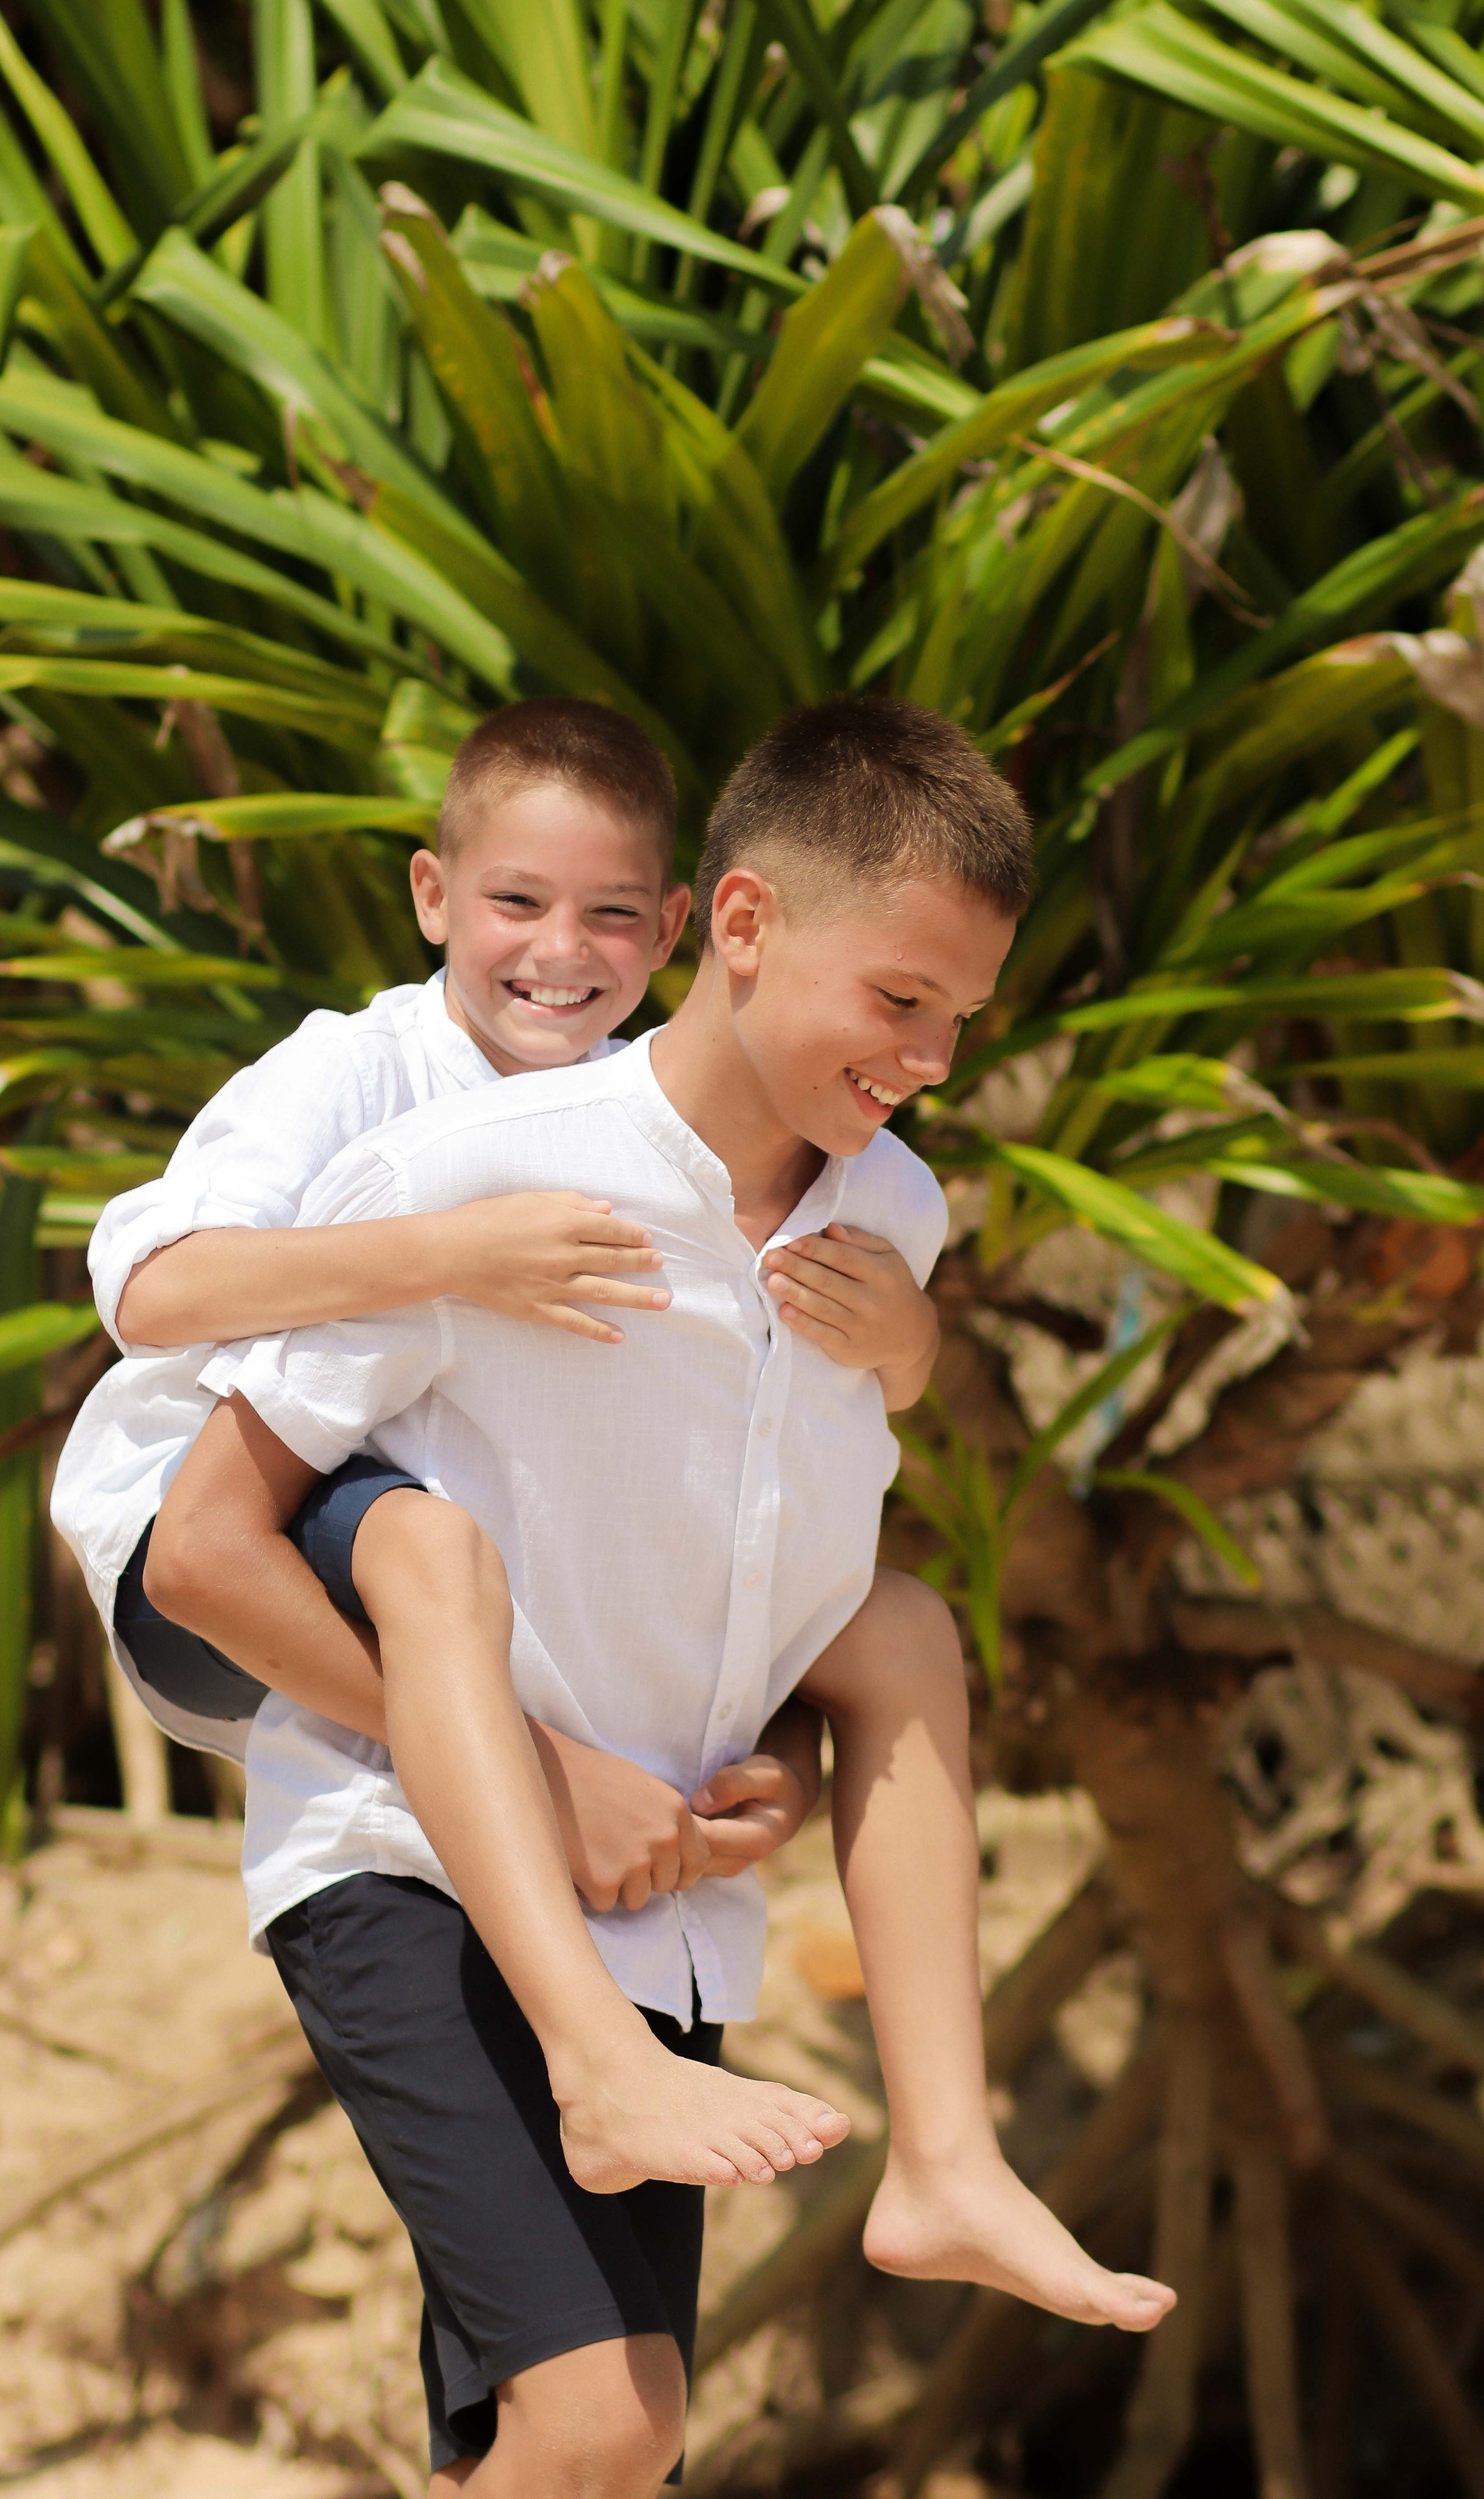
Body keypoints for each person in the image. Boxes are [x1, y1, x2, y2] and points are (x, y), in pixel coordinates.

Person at [145, 698, 1176, 2498]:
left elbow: (749, 1549)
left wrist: (776, 1720)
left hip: (657, 1896)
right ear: (750, 926)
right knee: (598, 2425)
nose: (929, 1053)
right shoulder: (484, 1184)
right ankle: (639, 2078)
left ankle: (945, 2159)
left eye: (960, 1018)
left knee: (616, 2445)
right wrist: (542, 1777)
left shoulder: (896, 1214)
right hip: (415, 1869)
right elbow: (204, 1547)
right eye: (900, 1000)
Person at [53, 696, 937, 2186]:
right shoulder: (360, 1072)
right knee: (417, 1535)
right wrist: (444, 1253)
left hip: (425, 1537)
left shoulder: (651, 1117)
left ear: (670, 931)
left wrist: (901, 1342)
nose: (559, 951)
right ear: (431, 898)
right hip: (198, 1531)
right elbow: (151, 1289)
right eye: (514, 904)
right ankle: (563, 1909)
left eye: (605, 917)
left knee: (878, 1619)